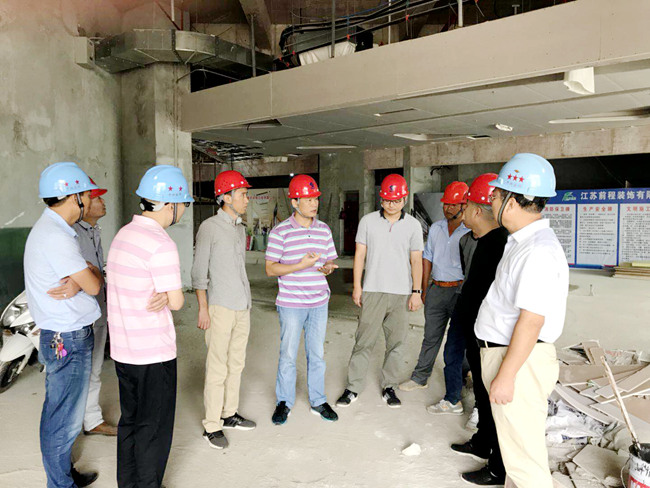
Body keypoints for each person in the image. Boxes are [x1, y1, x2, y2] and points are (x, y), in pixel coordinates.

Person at [475, 154, 568, 488]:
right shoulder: (522, 242)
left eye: (496, 195)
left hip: (518, 362)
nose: (490, 201)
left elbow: (531, 321)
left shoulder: (537, 251)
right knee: (516, 454)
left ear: (512, 201)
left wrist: (506, 375)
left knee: (525, 460)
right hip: (511, 356)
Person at [106, 165, 192, 488]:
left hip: (123, 350)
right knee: (153, 428)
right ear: (170, 204)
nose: (184, 209)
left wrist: (163, 294)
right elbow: (177, 301)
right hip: (153, 353)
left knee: (130, 421)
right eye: (183, 203)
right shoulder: (161, 243)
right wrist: (167, 296)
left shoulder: (123, 235)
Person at [24, 162, 103, 488]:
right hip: (67, 336)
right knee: (65, 419)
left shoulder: (52, 230)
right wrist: (89, 272)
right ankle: (60, 484)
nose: (90, 200)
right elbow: (94, 285)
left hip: (62, 334)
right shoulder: (57, 236)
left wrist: (84, 276)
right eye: (87, 194)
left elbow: (86, 280)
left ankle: (62, 475)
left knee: (59, 411)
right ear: (74, 197)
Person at [442, 173, 509, 486]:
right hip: (474, 329)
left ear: (479, 210)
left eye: (466, 204)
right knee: (481, 393)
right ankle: (482, 442)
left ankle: (498, 468)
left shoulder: (500, 245)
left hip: (489, 336)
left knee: (493, 398)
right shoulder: (483, 242)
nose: (462, 209)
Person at [336, 174, 423, 409]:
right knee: (363, 341)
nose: (391, 205)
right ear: (381, 199)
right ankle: (353, 387)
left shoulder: (413, 226)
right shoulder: (368, 222)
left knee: (396, 343)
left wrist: (416, 291)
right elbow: (360, 255)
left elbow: (416, 260)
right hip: (373, 290)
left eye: (396, 200)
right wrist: (357, 286)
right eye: (387, 200)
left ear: (404, 199)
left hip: (401, 293)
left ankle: (389, 386)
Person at [265, 175, 339, 425]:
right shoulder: (280, 232)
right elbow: (270, 269)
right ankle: (284, 402)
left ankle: (318, 400)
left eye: (315, 198)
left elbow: (329, 259)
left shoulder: (324, 229)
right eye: (308, 199)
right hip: (291, 303)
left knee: (316, 354)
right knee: (288, 354)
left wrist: (328, 268)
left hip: (319, 302)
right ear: (295, 202)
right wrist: (300, 265)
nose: (314, 204)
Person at [192, 170, 256, 450]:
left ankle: (229, 413)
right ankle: (211, 425)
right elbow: (198, 272)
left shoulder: (240, 228)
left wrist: (247, 302)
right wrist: (203, 308)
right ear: (226, 197)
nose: (247, 199)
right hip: (219, 307)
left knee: (237, 363)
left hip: (242, 306)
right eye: (243, 194)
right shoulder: (209, 227)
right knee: (217, 367)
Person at [401, 181, 472, 415]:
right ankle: (420, 377)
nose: (447, 208)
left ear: (464, 205)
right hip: (437, 290)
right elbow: (427, 258)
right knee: (430, 336)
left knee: (459, 341)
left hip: (459, 292)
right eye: (445, 204)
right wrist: (423, 289)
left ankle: (464, 375)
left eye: (453, 205)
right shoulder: (436, 228)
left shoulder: (470, 231)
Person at [69, 178, 117, 437]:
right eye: (96, 197)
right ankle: (75, 423)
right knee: (78, 372)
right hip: (81, 315)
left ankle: (91, 420)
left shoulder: (92, 230)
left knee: (95, 368)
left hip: (98, 309)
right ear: (83, 203)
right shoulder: (73, 234)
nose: (102, 201)